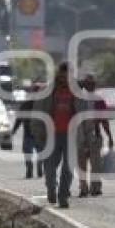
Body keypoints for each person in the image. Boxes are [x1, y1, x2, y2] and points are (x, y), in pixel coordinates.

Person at [33, 62, 85, 209]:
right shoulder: (48, 91)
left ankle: (63, 196)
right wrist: (38, 132)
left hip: (71, 135)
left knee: (68, 168)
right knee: (49, 167)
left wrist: (86, 136)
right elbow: (38, 113)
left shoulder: (77, 91)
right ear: (58, 74)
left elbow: (84, 115)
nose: (65, 77)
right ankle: (51, 188)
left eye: (68, 74)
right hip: (51, 134)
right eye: (63, 74)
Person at [76, 74, 114, 197]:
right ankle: (85, 188)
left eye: (93, 84)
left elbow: (104, 120)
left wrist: (110, 136)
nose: (91, 86)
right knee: (83, 164)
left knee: (95, 164)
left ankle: (94, 187)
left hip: (93, 135)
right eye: (88, 84)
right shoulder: (78, 99)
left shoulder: (97, 100)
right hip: (81, 135)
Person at [12, 81, 44, 179]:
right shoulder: (25, 104)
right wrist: (14, 130)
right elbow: (19, 118)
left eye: (38, 91)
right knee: (27, 153)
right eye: (35, 91)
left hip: (39, 134)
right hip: (28, 133)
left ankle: (39, 168)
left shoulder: (43, 104)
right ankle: (29, 169)